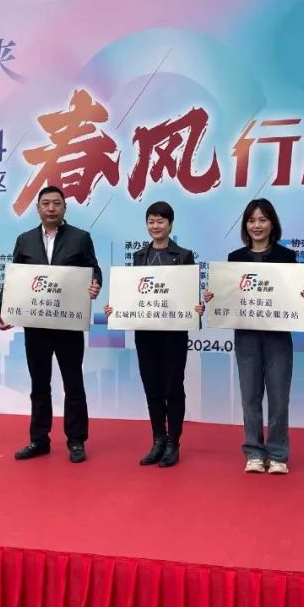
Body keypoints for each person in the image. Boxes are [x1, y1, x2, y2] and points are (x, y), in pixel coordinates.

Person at [205, 198, 304, 475]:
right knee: (250, 396)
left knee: (278, 397)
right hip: (246, 336)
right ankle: (253, 451)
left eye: (263, 220)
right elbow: (229, 295)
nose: (257, 225)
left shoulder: (287, 257)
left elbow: (293, 295)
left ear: (272, 224)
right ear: (245, 225)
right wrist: (214, 296)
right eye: (251, 220)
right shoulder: (235, 258)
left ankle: (278, 454)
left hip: (278, 337)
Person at [0, 186, 101, 464]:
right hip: (36, 325)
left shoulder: (80, 238)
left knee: (73, 383)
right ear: (38, 208)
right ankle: (39, 439)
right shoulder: (25, 240)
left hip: (68, 324)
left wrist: (95, 284)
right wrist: (1, 309)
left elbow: (94, 270)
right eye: (46, 204)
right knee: (39, 384)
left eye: (56, 203)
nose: (51, 208)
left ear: (64, 208)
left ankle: (76, 441)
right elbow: (14, 279)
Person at [103, 201, 204, 468]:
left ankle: (173, 443)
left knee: (173, 386)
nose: (155, 226)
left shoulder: (184, 256)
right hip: (146, 333)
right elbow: (133, 293)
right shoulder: (139, 256)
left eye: (160, 221)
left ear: (170, 224)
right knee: (152, 386)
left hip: (173, 333)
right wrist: (116, 308)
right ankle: (158, 440)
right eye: (151, 221)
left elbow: (189, 293)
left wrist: (196, 307)